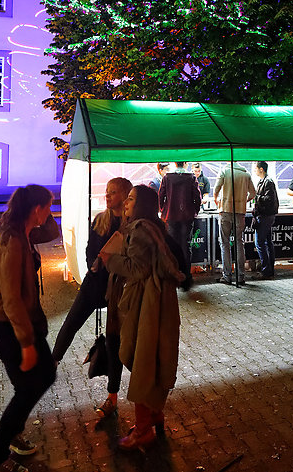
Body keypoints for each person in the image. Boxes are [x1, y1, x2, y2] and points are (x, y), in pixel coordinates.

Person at [99, 185, 184, 450]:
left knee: (142, 360)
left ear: (142, 204)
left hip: (146, 304)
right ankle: (154, 413)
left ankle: (143, 429)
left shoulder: (140, 230)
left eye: (131, 199)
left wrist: (109, 260)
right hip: (155, 303)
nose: (126, 202)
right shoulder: (153, 227)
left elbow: (138, 268)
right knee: (150, 358)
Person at [0, 185, 57, 472]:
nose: (50, 212)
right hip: (7, 326)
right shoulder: (13, 240)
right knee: (28, 388)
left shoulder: (25, 233)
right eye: (48, 207)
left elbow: (52, 232)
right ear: (36, 209)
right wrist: (26, 343)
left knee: (42, 377)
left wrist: (38, 215)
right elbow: (11, 298)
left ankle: (13, 434)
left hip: (20, 323)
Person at [52, 177, 132, 418]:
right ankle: (52, 363)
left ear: (124, 196)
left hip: (117, 288)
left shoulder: (131, 225)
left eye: (113, 192)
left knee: (114, 341)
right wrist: (93, 264)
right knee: (71, 322)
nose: (107, 195)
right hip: (94, 284)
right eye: (107, 191)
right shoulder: (100, 220)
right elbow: (89, 250)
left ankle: (112, 396)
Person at [159, 162, 201, 289]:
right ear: (186, 164)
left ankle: (173, 275)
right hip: (187, 216)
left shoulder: (167, 177)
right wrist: (194, 211)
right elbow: (197, 197)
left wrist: (163, 210)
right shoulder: (191, 177)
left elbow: (161, 196)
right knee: (186, 246)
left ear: (175, 164)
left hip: (170, 216)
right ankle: (186, 277)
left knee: (172, 247)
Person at [214, 162, 256, 285]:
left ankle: (227, 276)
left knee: (225, 243)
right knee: (239, 243)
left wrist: (217, 200)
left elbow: (216, 189)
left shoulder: (224, 171)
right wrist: (243, 200)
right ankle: (240, 276)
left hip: (225, 211)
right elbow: (253, 193)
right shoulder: (246, 174)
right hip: (240, 212)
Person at [253, 161, 279, 279]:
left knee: (260, 243)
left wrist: (256, 197)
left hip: (265, 216)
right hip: (267, 215)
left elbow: (269, 198)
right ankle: (269, 270)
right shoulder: (265, 181)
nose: (255, 170)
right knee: (268, 242)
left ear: (261, 169)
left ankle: (266, 270)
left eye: (256, 168)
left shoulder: (268, 182)